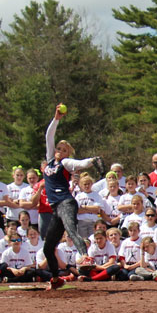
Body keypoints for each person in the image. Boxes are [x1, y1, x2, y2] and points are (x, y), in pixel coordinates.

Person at [41, 105, 98, 289]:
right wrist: (56, 118)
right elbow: (49, 136)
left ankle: (84, 256)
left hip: (66, 203)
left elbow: (79, 163)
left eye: (64, 149)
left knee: (71, 230)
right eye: (59, 148)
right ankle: (56, 279)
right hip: (56, 208)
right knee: (48, 248)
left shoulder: (65, 163)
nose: (60, 150)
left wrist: (92, 161)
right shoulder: (50, 159)